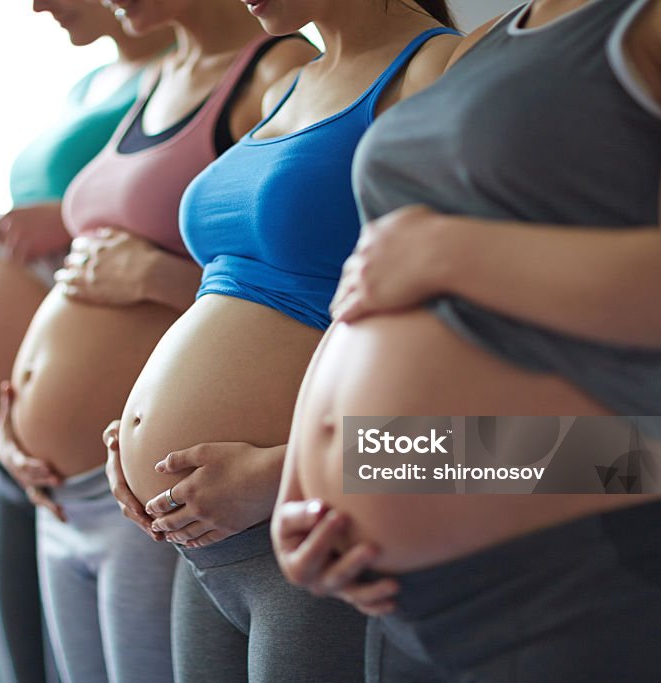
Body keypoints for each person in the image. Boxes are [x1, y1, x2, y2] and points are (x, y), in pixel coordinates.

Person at [272, 0, 661, 680]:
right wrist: (302, 488)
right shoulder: (476, 48)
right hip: (403, 598)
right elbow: (370, 284)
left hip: (595, 572)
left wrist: (444, 249)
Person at [103, 0, 460, 680]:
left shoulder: (439, 71)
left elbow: (461, 371)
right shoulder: (286, 84)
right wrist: (138, 427)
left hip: (314, 529)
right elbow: (228, 297)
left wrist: (280, 472)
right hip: (205, 542)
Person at [0, 0, 317, 680]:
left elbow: (292, 288)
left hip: (208, 498)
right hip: (109, 485)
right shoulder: (158, 79)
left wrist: (289, 469)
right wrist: (14, 418)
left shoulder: (288, 70)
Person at [0, 2, 171, 680]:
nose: (39, 4)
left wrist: (64, 221)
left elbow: (144, 223)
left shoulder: (185, 77)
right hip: (15, 444)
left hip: (100, 460)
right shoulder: (88, 83)